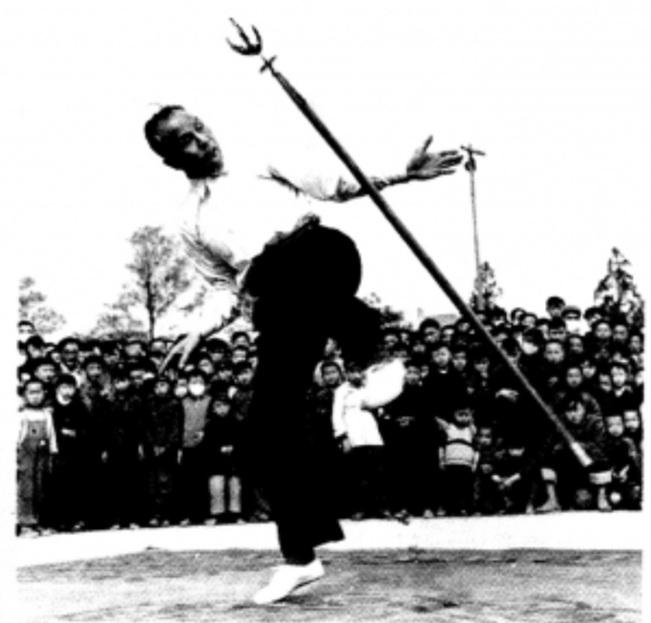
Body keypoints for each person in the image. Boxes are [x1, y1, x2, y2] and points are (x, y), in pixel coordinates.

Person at [144, 104, 461, 603]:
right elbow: (226, 288)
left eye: (199, 126)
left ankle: (373, 353)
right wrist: (198, 331)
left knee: (281, 260)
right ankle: (300, 557)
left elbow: (337, 183)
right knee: (264, 431)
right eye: (184, 139)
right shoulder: (190, 219)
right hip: (283, 306)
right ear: (168, 159)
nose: (201, 139)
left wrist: (403, 171)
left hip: (322, 256)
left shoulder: (259, 156)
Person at [17, 378, 58, 536]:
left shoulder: (46, 414)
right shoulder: (22, 415)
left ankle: (39, 521)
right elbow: (17, 437)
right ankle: (26, 523)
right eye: (31, 393)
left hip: (43, 453)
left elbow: (51, 434)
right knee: (27, 487)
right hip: (26, 454)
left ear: (44, 393)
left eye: (38, 392)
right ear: (25, 394)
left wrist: (53, 451)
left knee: (41, 487)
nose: (35, 396)